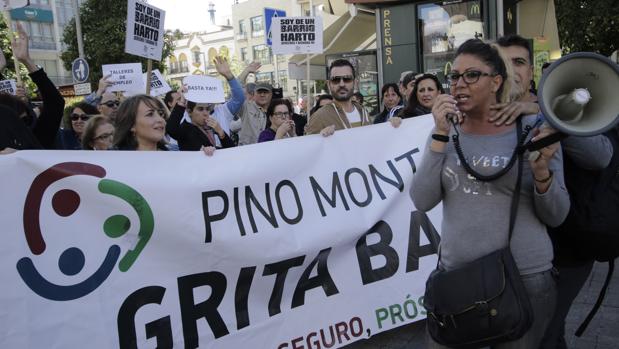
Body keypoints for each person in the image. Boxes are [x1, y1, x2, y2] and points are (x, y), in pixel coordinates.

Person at [410, 39, 569, 348]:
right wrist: (440, 134)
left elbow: (557, 214)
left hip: (523, 280)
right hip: (457, 280)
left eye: (472, 75)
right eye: (454, 76)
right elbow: (422, 199)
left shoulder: (533, 128)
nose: (459, 84)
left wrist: (541, 175)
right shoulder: (447, 130)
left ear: (496, 81)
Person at [0, 22, 64, 151]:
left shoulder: (35, 140)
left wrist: (27, 60)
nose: (19, 127)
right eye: (11, 121)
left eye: (25, 120)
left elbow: (55, 103)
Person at [305, 59, 370, 136]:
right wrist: (320, 137)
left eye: (347, 79)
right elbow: (308, 146)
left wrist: (387, 127)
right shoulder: (319, 117)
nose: (341, 84)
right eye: (336, 80)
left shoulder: (363, 112)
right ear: (329, 84)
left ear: (355, 83)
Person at [166, 86, 235, 151]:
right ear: (189, 112)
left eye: (207, 109)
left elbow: (232, 150)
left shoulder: (210, 128)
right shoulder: (186, 129)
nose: (206, 113)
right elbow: (171, 129)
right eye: (200, 109)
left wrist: (221, 132)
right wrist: (181, 102)